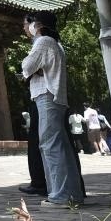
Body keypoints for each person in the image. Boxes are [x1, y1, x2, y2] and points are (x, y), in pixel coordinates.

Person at [21, 11, 83, 208]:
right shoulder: (55, 43)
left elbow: (27, 66)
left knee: (50, 145)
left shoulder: (43, 41)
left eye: (28, 24)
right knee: (62, 146)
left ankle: (59, 195)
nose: (26, 28)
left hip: (46, 96)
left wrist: (32, 69)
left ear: (37, 25)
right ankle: (73, 194)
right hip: (55, 98)